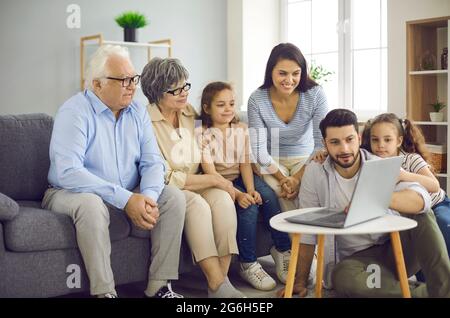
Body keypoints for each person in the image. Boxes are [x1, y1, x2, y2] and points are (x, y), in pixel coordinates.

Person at [42, 45, 186, 298]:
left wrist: (148, 198)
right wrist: (126, 198)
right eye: (123, 80)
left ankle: (160, 286)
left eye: (134, 78)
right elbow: (68, 172)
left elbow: (153, 162)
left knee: (172, 197)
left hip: (128, 191)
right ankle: (105, 292)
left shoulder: (138, 111)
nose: (132, 85)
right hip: (69, 192)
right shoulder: (74, 112)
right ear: (97, 85)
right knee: (91, 204)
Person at [278, 109, 450, 298]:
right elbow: (307, 231)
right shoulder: (315, 172)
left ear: (359, 138)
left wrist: (375, 199)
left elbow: (423, 199)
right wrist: (300, 281)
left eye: (349, 139)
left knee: (422, 213)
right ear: (324, 144)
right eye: (335, 142)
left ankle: (444, 288)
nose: (344, 149)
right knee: (344, 279)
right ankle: (428, 293)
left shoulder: (379, 164)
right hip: (355, 262)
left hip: (396, 248)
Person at [140, 58, 245, 298]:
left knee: (223, 199)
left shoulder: (189, 112)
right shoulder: (145, 122)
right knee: (197, 204)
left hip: (198, 179)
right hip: (169, 188)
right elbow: (166, 177)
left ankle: (220, 281)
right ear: (156, 93)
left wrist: (221, 178)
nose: (183, 93)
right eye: (175, 89)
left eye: (185, 85)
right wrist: (216, 180)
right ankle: (218, 284)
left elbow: (211, 137)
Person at [198, 81, 291, 291]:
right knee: (248, 207)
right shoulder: (201, 133)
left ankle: (282, 249)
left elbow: (245, 164)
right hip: (218, 182)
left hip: (241, 176)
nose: (228, 109)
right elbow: (211, 173)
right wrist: (239, 195)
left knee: (267, 195)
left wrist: (250, 189)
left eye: (231, 103)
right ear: (207, 108)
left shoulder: (241, 130)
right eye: (221, 105)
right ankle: (247, 263)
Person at [361, 113, 450, 281]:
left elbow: (434, 185)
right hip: (412, 212)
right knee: (421, 248)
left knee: (444, 228)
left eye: (387, 140)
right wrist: (322, 153)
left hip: (438, 204)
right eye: (375, 140)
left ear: (399, 141)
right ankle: (427, 283)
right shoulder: (371, 161)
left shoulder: (411, 159)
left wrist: (403, 175)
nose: (380, 145)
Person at [247, 43, 329, 212]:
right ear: (271, 71)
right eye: (282, 73)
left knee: (309, 186)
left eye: (296, 74)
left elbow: (321, 144)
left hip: (307, 159)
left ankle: (307, 237)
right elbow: (258, 150)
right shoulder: (256, 100)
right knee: (281, 190)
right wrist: (285, 179)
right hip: (271, 160)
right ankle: (296, 238)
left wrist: (297, 179)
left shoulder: (315, 94)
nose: (289, 80)